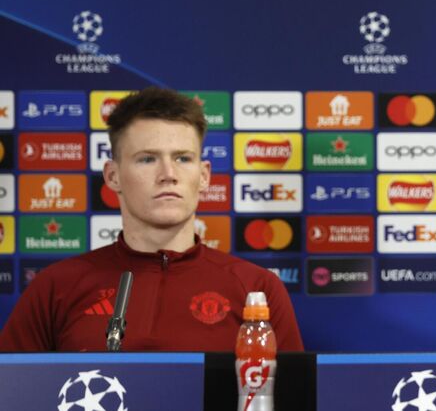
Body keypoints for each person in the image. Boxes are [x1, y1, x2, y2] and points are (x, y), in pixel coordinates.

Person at [0, 87, 304, 352]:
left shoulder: (257, 289)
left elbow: (289, 393)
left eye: (183, 158)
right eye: (147, 159)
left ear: (204, 176)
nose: (168, 174)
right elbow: (13, 389)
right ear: (113, 176)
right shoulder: (56, 287)